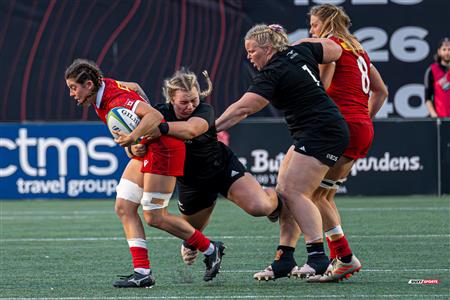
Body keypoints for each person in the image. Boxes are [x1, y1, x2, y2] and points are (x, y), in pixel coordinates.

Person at [254, 4, 388, 282]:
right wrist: (364, 118)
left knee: (306, 194)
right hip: (358, 126)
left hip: (334, 127)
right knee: (313, 192)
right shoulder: (358, 50)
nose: (312, 29)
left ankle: (342, 257)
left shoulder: (330, 46)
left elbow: (319, 88)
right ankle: (287, 256)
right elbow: (381, 91)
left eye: (314, 24)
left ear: (326, 24)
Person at [64, 59, 225, 287]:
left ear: (89, 84)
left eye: (73, 87)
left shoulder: (116, 99)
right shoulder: (105, 86)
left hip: (165, 150)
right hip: (151, 146)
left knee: (155, 217)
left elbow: (155, 117)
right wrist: (141, 139)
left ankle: (211, 249)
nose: (71, 93)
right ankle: (142, 273)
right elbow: (137, 86)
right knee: (124, 206)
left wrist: (134, 137)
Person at [215, 23, 349, 280]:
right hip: (318, 129)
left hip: (322, 131)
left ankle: (317, 257)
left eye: (252, 51)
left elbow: (243, 109)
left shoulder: (273, 71)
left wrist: (207, 131)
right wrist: (299, 44)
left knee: (294, 192)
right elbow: (335, 50)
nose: (249, 57)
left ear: (267, 49)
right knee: (284, 190)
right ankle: (284, 258)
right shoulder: (299, 52)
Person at [141, 68, 281, 265]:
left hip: (221, 168)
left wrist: (158, 129)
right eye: (184, 102)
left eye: (194, 100)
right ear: (171, 99)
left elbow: (191, 130)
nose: (190, 106)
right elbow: (135, 147)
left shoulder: (204, 111)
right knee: (191, 237)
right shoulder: (158, 113)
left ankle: (277, 197)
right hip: (192, 183)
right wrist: (136, 147)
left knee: (260, 207)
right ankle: (190, 244)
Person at [424, 37, 450, 118]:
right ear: (439, 51)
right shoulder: (432, 70)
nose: (447, 52)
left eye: (449, 49)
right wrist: (434, 116)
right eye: (444, 49)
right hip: (440, 119)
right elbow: (427, 98)